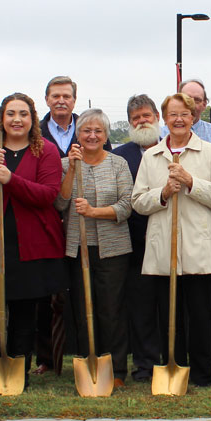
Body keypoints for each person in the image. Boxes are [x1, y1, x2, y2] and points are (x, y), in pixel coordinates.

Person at [0, 92, 68, 390]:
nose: (17, 119)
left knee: (23, 311)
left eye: (23, 114)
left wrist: (10, 179)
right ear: (1, 118)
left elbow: (48, 194)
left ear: (32, 119)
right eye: (10, 114)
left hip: (30, 246)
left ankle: (19, 370)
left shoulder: (44, 149)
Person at [131, 93, 211, 387]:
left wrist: (190, 182)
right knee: (169, 313)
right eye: (172, 114)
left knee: (200, 313)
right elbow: (138, 202)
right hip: (165, 246)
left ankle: (201, 374)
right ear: (164, 119)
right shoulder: (152, 156)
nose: (178, 119)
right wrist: (162, 193)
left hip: (199, 245)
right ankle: (175, 366)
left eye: (184, 114)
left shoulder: (209, 152)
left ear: (192, 117)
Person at [56, 109, 133, 387]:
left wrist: (94, 211)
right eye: (86, 131)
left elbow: (127, 205)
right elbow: (60, 203)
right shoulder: (66, 164)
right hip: (78, 248)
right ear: (78, 135)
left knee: (111, 310)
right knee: (82, 308)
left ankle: (117, 370)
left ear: (105, 135)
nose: (92, 135)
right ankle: (88, 363)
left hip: (112, 249)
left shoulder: (118, 164)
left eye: (98, 131)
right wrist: (73, 168)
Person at [112, 94, 162, 382]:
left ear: (157, 116)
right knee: (141, 307)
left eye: (146, 115)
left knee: (169, 306)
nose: (142, 121)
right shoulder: (121, 156)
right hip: (136, 243)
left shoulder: (171, 150)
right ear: (130, 123)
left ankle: (172, 358)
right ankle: (145, 364)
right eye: (136, 118)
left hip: (169, 240)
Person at [40, 76, 111, 156]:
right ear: (47, 100)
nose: (61, 101)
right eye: (56, 96)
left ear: (74, 100)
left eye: (66, 96)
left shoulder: (95, 131)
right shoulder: (35, 133)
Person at [160, 79, 211, 146]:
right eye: (187, 99)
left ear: (204, 105)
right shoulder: (160, 135)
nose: (192, 104)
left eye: (197, 100)